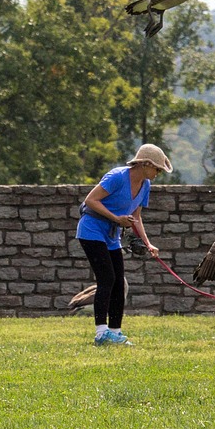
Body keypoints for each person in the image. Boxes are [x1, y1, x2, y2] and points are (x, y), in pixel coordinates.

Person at [76, 143, 171, 346]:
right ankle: (101, 333)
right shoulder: (117, 176)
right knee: (107, 279)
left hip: (111, 236)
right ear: (145, 164)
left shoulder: (145, 185)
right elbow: (91, 200)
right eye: (157, 169)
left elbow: (136, 217)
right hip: (91, 231)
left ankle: (115, 332)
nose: (158, 173)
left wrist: (148, 243)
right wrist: (116, 218)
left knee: (119, 282)